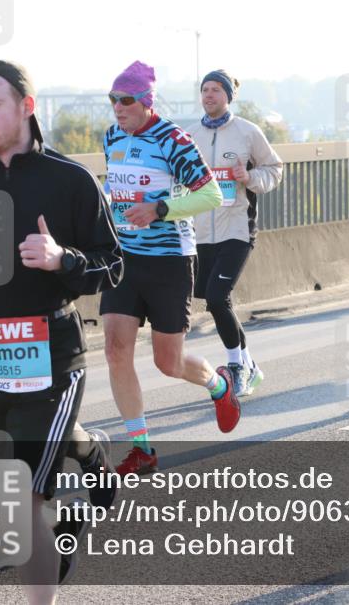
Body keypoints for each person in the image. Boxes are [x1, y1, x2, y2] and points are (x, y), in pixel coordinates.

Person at [0, 60, 124, 599]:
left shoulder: (70, 181)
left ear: (26, 108)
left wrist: (63, 260)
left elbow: (112, 266)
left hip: (52, 356)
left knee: (25, 496)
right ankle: (63, 526)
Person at [100, 61, 238, 477]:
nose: (118, 108)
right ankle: (140, 448)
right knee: (115, 349)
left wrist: (159, 209)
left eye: (125, 100)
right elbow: (114, 191)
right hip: (125, 259)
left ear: (145, 102)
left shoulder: (173, 139)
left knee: (168, 362)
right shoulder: (111, 137)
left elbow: (212, 195)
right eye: (112, 100)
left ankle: (220, 384)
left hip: (170, 262)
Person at [192, 69, 283, 396]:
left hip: (237, 229)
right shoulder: (190, 136)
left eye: (216, 90)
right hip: (201, 232)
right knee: (212, 300)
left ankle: (236, 366)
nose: (209, 95)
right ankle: (250, 364)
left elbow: (275, 169)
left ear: (228, 96)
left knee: (218, 297)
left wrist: (249, 178)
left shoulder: (247, 132)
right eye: (205, 90)